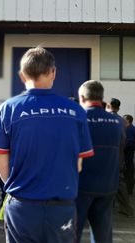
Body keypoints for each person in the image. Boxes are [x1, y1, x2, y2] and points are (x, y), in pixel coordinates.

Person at [0, 47, 94, 243]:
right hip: (62, 209)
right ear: (53, 72)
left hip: (22, 206)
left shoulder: (8, 109)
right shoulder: (76, 112)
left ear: (22, 75)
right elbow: (78, 166)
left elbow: (1, 167)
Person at [76, 80, 122, 243]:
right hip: (108, 186)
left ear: (82, 97)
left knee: (71, 233)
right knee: (103, 235)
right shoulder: (117, 122)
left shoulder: (78, 118)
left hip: (80, 186)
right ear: (101, 97)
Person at [106, 98, 134, 217]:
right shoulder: (122, 121)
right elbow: (123, 140)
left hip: (107, 155)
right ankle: (126, 208)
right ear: (119, 107)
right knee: (119, 182)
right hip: (119, 155)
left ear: (109, 105)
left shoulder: (107, 118)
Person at [123, 114, 135, 195]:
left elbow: (129, 143)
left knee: (129, 172)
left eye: (124, 119)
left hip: (128, 154)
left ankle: (129, 191)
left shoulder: (130, 129)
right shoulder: (128, 128)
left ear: (128, 120)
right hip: (128, 154)